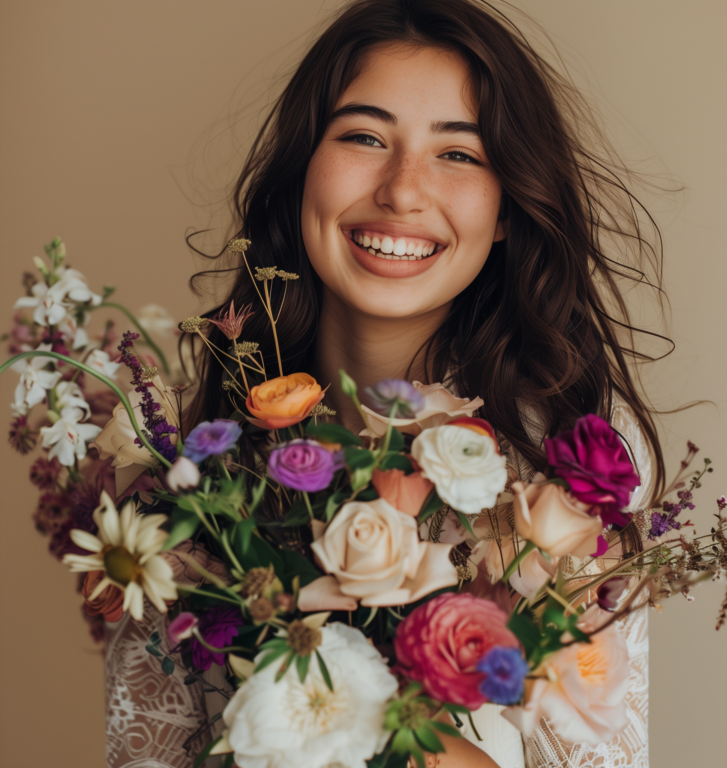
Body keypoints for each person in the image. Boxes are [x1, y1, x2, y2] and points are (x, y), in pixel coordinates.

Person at [105, 1, 664, 765]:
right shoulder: (183, 474)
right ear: (304, 167)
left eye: (459, 154)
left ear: (506, 208)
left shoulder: (574, 468)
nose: (403, 190)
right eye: (365, 137)